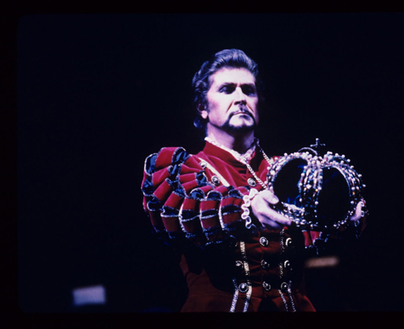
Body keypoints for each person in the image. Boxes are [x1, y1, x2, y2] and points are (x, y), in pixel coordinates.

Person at [141, 49, 366, 312]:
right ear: (202, 107)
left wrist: (342, 216)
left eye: (248, 90)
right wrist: (246, 208)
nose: (241, 99)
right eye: (227, 89)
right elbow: (177, 214)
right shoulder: (182, 168)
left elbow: (314, 233)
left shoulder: (288, 172)